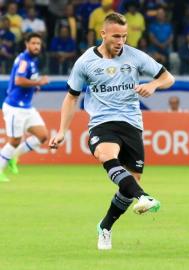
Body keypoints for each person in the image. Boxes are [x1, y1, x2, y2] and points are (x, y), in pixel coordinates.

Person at [48, 13, 175, 250]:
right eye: (116, 36)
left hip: (131, 124)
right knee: (107, 156)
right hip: (102, 123)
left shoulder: (135, 56)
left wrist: (153, 85)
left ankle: (105, 226)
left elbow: (168, 77)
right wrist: (62, 131)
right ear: (103, 34)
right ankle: (144, 197)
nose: (121, 41)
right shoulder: (85, 62)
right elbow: (71, 97)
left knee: (129, 183)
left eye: (125, 36)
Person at [0, 32, 49, 182]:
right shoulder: (24, 60)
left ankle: (13, 157)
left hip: (27, 107)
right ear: (26, 44)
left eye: (38, 44)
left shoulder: (33, 60)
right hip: (15, 107)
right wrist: (38, 83)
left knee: (43, 136)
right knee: (14, 141)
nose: (36, 46)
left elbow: (27, 80)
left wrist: (34, 86)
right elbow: (19, 80)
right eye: (33, 43)